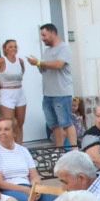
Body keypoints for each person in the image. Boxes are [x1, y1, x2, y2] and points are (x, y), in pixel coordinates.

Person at [0, 116, 39, 201]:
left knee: (52, 200)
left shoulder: (23, 150)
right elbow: (0, 182)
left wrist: (36, 188)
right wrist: (26, 190)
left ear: (14, 132)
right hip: (9, 189)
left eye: (6, 129)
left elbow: (34, 175)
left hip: (29, 187)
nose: (2, 132)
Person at [0, 38, 37, 135]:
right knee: (10, 123)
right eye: (10, 47)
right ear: (5, 49)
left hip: (19, 93)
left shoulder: (20, 61)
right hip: (7, 93)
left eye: (15, 46)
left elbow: (21, 72)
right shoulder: (1, 61)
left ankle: (19, 147)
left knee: (20, 124)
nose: (13, 49)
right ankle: (9, 147)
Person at [35, 23, 77, 151]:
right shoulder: (46, 51)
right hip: (48, 94)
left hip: (61, 93)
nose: (42, 38)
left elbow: (59, 64)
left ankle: (75, 151)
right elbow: (44, 69)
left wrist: (39, 62)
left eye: (44, 35)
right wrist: (39, 65)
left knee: (66, 123)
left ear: (53, 33)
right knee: (54, 125)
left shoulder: (64, 48)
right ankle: (59, 151)